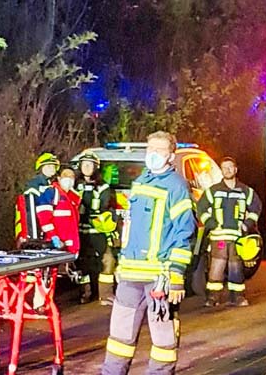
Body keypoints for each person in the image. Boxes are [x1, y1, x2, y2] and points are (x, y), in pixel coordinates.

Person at [100, 131, 196, 375]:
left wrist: (176, 275)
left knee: (163, 343)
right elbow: (131, 228)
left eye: (159, 150)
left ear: (171, 156)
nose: (152, 154)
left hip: (159, 278)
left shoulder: (177, 187)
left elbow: (183, 232)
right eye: (150, 149)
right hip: (131, 275)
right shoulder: (141, 182)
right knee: (119, 339)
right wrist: (121, 264)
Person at [196, 157, 262, 307]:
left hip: (238, 237)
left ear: (235, 169)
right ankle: (213, 297)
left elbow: (256, 207)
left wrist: (247, 225)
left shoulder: (245, 191)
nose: (227, 170)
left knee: (236, 266)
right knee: (217, 265)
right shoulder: (213, 191)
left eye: (230, 167)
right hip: (218, 236)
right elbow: (201, 208)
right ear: (221, 170)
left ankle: (237, 296)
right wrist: (210, 223)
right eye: (224, 168)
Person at [75, 152, 117, 305]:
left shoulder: (104, 186)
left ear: (95, 167)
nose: (87, 167)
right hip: (79, 232)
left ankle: (105, 294)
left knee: (108, 260)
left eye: (90, 164)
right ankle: (85, 293)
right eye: (84, 164)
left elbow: (106, 207)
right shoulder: (73, 185)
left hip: (98, 231)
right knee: (82, 264)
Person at [15, 152, 60, 244]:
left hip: (40, 230)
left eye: (53, 166)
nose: (52, 169)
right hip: (36, 231)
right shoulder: (36, 185)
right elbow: (36, 211)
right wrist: (34, 236)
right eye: (48, 166)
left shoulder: (48, 183)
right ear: (41, 168)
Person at [37, 166, 82, 255]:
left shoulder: (74, 198)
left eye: (71, 176)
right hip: (56, 247)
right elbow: (44, 219)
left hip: (71, 247)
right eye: (65, 175)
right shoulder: (51, 193)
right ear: (59, 178)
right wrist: (53, 236)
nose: (68, 179)